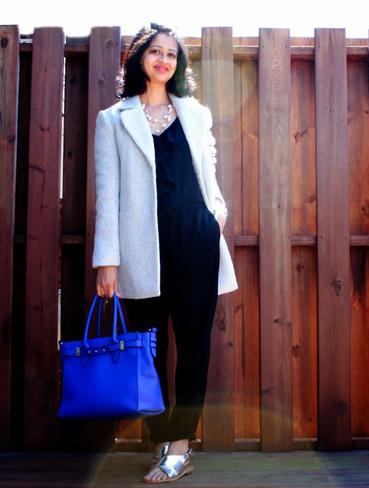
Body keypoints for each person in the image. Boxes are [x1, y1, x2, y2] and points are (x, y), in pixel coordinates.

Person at [91, 22, 238, 484]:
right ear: (139, 59)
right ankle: (161, 439)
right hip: (141, 250)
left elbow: (208, 169)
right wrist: (107, 260)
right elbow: (107, 193)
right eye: (155, 52)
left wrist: (217, 213)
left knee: (194, 349)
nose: (163, 60)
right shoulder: (113, 119)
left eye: (172, 55)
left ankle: (181, 446)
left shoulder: (195, 113)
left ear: (178, 65)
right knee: (148, 352)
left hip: (196, 242)